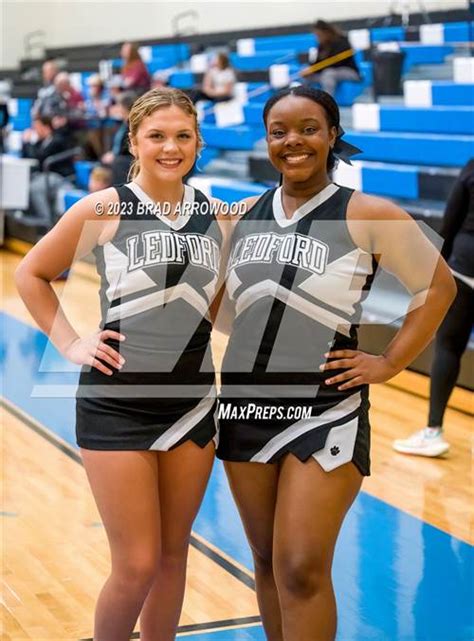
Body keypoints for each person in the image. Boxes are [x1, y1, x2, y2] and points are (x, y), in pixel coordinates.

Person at [215, 86, 456, 641]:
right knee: (269, 561)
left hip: (326, 406)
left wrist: (390, 361)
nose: (293, 141)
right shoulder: (243, 214)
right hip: (244, 406)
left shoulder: (368, 212)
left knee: (301, 566)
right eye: (279, 131)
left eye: (308, 128)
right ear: (267, 139)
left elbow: (437, 287)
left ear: (331, 136)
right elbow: (225, 309)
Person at [15, 87, 224, 641]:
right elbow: (30, 274)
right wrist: (69, 343)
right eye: (157, 136)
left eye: (183, 136)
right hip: (117, 402)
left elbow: (218, 309)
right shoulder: (103, 208)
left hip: (194, 403)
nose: (170, 147)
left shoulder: (217, 216)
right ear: (133, 141)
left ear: (197, 142)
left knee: (174, 555)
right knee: (135, 565)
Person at [394, 158, 474, 457]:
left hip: (465, 266)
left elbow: (451, 219)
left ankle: (432, 432)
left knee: (449, 347)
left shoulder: (471, 167)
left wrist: (434, 266)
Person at [22, 114, 76, 221]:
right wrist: (26, 144)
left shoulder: (57, 140)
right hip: (46, 174)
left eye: (36, 128)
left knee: (35, 188)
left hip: (60, 176)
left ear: (45, 127)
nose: (35, 131)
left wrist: (28, 142)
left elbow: (39, 158)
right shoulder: (41, 141)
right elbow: (29, 156)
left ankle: (45, 220)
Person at [303, 20, 360, 97]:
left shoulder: (342, 41)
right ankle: (305, 101)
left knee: (328, 73)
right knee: (309, 76)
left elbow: (336, 63)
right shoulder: (321, 46)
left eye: (319, 35)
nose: (317, 38)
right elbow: (317, 63)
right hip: (327, 72)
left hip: (349, 72)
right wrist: (310, 70)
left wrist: (314, 69)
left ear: (326, 33)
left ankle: (328, 103)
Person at [101, 91, 136, 184]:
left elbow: (128, 148)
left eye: (118, 105)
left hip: (125, 162)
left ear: (125, 107)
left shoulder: (133, 125)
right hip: (117, 159)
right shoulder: (122, 124)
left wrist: (114, 156)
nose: (116, 108)